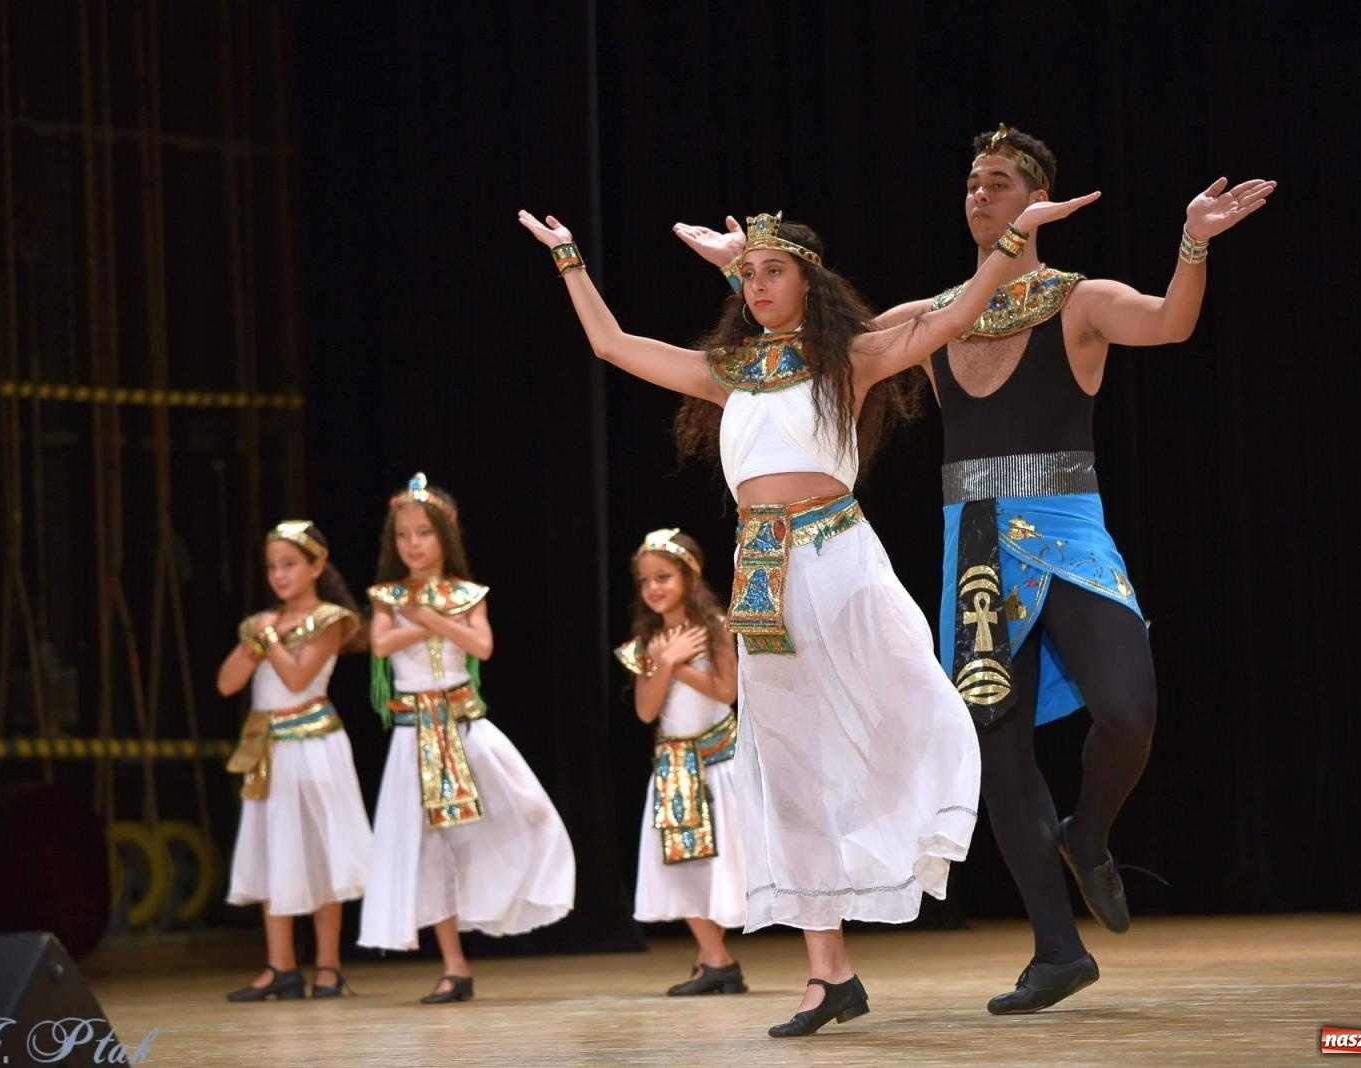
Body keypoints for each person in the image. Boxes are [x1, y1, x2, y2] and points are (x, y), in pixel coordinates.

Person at [677, 125, 1275, 1014]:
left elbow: (1170, 322)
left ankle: (1091, 836)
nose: (978, 194)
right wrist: (744, 269)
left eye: (997, 181)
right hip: (977, 546)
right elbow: (803, 342)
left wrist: (1193, 240)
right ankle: (1057, 951)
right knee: (998, 747)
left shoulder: (1077, 300)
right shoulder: (931, 313)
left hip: (1069, 526)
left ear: (1034, 197)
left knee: (1128, 708)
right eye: (970, 183)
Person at [519, 190, 1095, 1037]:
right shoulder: (730, 372)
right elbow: (610, 345)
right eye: (744, 274)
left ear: (808, 281)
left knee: (921, 706)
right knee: (786, 764)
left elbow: (957, 314)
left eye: (771, 271)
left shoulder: (847, 359)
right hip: (762, 574)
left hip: (838, 554)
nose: (755, 286)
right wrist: (569, 257)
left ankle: (933, 831)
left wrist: (1013, 240)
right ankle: (829, 974)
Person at [356, 472, 576, 1004]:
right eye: (404, 535)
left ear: (444, 537)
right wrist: (426, 620)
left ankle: (521, 893)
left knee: (528, 808)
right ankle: (454, 965)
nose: (413, 545)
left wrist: (431, 616)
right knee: (428, 850)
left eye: (423, 534)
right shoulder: (387, 596)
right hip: (414, 738)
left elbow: (482, 644)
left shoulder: (466, 593)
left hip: (464, 726)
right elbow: (382, 645)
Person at [219, 520, 371, 1001]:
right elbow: (226, 684)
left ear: (316, 565)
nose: (279, 576)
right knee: (272, 849)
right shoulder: (262, 622)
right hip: (271, 749)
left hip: (313, 745)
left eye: (289, 564)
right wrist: (254, 644)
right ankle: (280, 964)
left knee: (320, 850)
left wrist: (269, 641)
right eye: (272, 567)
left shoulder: (333, 619)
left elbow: (298, 676)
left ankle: (328, 964)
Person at [615, 527, 745, 996]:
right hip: (674, 765)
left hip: (718, 762)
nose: (654, 588)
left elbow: (727, 692)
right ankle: (715, 959)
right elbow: (647, 711)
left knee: (721, 866)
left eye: (663, 577)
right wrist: (664, 662)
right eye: (646, 580)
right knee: (683, 867)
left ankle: (713, 959)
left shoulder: (716, 625)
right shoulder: (647, 641)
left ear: (689, 576)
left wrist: (680, 663)